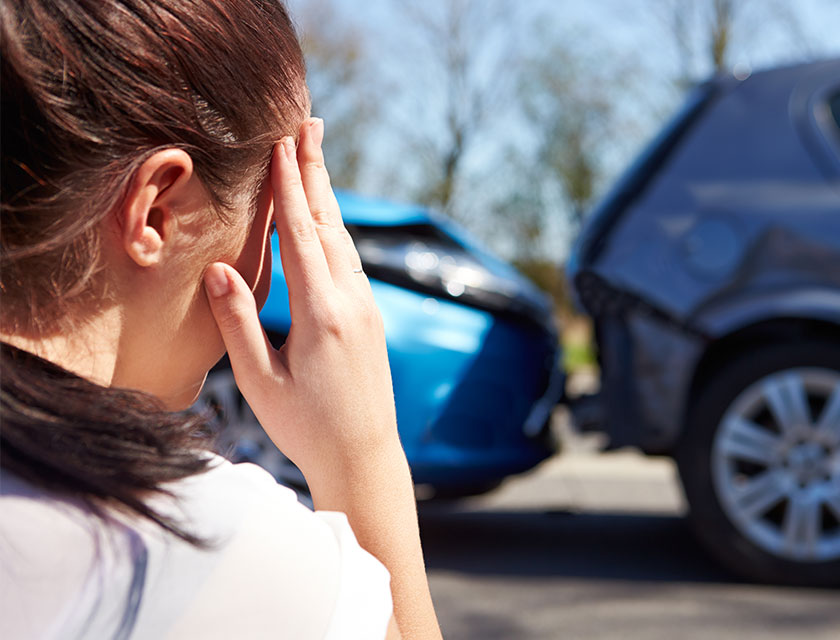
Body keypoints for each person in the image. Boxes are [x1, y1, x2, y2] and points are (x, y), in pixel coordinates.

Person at [0, 1, 442, 638]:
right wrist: (363, 456)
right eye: (275, 220)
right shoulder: (213, 549)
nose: (273, 274)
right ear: (158, 213)